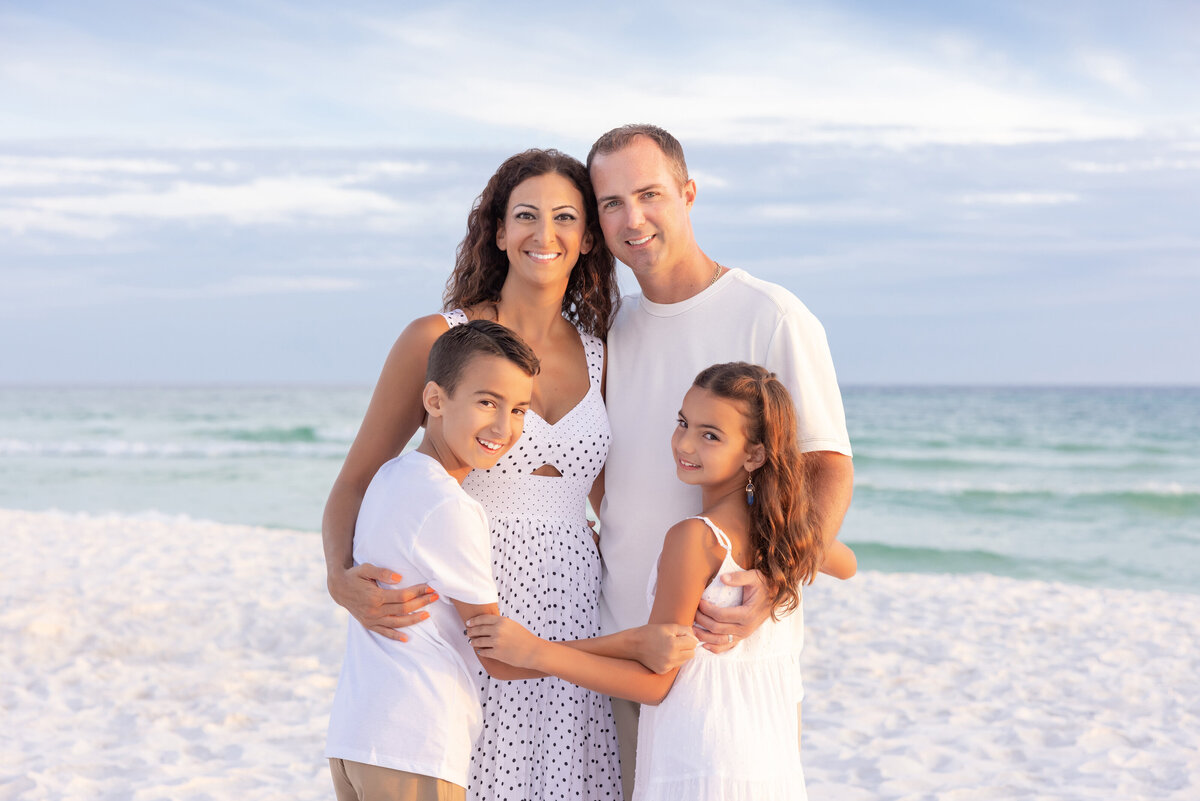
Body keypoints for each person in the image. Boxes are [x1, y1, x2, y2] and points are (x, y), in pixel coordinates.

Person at [323, 149, 686, 801]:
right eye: (525, 215)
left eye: (565, 218)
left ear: (586, 238)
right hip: (473, 614)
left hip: (576, 614)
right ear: (497, 230)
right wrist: (338, 579)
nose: (543, 235)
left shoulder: (604, 351)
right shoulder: (440, 338)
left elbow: (619, 500)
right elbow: (359, 480)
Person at [585, 124, 857, 796]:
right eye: (611, 202)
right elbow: (606, 476)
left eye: (649, 194)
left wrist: (774, 578)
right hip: (630, 642)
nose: (633, 218)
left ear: (688, 193)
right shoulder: (609, 329)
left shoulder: (772, 316)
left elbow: (827, 468)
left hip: (732, 664)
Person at [467, 362, 851, 800]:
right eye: (683, 423)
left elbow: (656, 682)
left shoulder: (696, 538)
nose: (685, 443)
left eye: (711, 435)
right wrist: (777, 574)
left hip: (698, 760)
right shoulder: (786, 535)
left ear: (755, 455)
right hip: (768, 763)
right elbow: (847, 563)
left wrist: (539, 653)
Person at [325, 320, 543, 801]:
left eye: (519, 409)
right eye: (487, 402)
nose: (504, 428)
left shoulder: (389, 478)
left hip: (355, 739)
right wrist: (621, 651)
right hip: (415, 743)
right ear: (435, 400)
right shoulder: (450, 507)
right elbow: (497, 655)